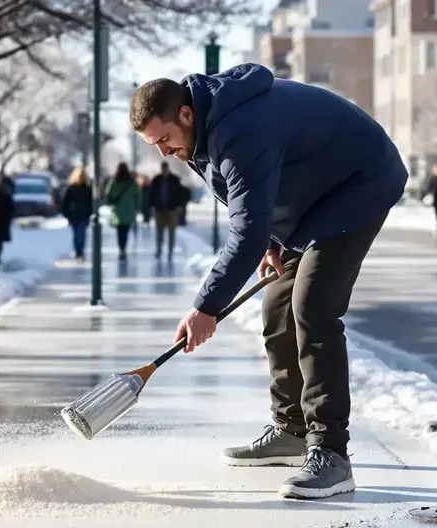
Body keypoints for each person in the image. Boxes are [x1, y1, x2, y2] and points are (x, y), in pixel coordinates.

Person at [129, 64, 407, 500]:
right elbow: (260, 198)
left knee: (313, 307)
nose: (163, 152)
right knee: (277, 305)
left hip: (361, 186)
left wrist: (207, 307)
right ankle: (292, 430)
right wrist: (277, 239)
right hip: (320, 198)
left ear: (185, 114)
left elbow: (246, 228)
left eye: (163, 139)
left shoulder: (236, 131)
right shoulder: (205, 131)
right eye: (153, 145)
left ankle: (331, 452)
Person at [148, 162, 192, 260]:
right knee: (159, 231)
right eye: (163, 168)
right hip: (159, 209)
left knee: (171, 231)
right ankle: (159, 249)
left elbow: (180, 193)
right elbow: (152, 194)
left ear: (168, 168)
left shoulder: (174, 180)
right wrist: (151, 206)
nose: (164, 170)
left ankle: (170, 251)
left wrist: (179, 206)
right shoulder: (157, 180)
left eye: (165, 168)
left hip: (172, 209)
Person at [104, 162, 142, 262]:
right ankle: (123, 248)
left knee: (120, 231)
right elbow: (138, 196)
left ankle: (121, 248)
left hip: (118, 211)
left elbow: (108, 196)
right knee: (125, 231)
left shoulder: (114, 182)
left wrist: (110, 202)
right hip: (129, 211)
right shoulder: (132, 183)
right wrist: (137, 207)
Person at [62, 166, 94, 261]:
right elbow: (65, 202)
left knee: (82, 234)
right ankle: (78, 251)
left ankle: (80, 252)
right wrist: (66, 214)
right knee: (76, 235)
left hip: (84, 215)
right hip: (74, 215)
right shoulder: (71, 188)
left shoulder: (87, 189)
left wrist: (90, 212)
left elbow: (90, 202)